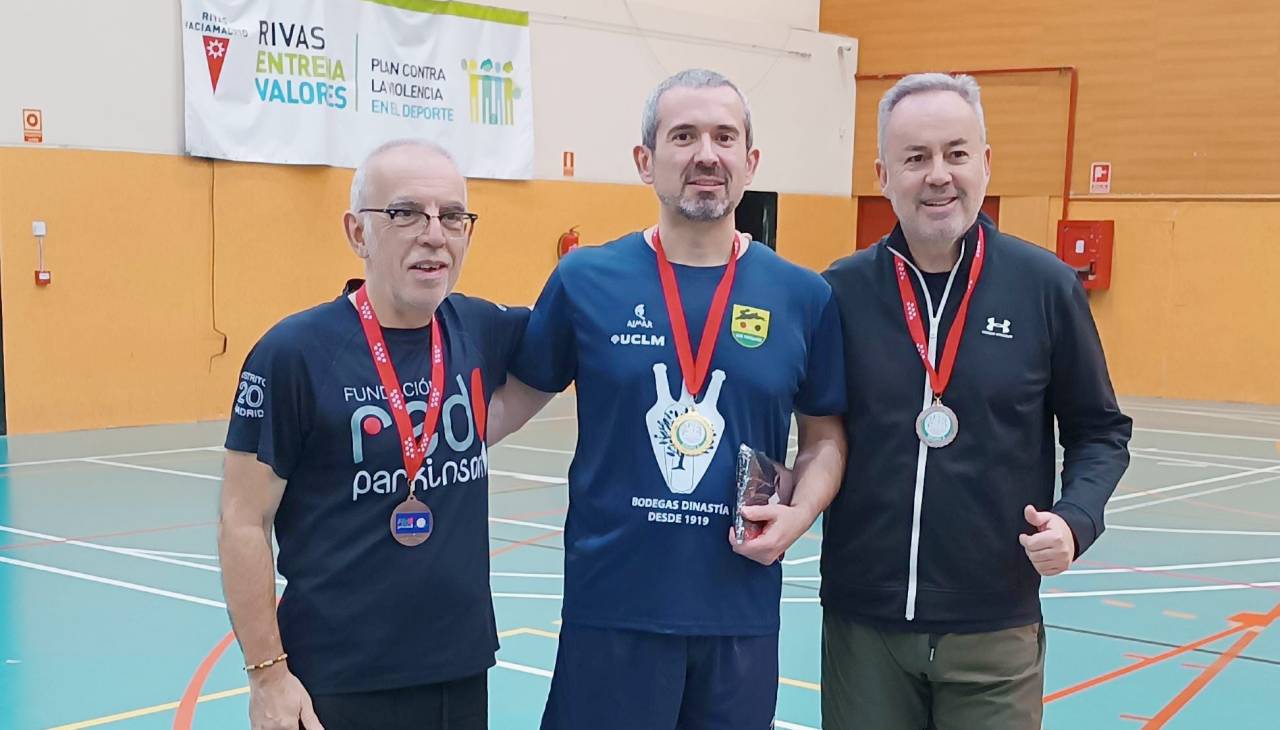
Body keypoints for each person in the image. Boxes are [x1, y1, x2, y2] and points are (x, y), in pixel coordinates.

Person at [511, 68, 848, 729]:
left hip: (739, 614)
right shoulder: (585, 280)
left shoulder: (803, 297)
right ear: (646, 161)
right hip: (612, 609)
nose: (705, 154)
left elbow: (826, 438)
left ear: (750, 162)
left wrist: (799, 513)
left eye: (725, 137)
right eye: (684, 135)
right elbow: (508, 400)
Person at [820, 73, 1133, 730]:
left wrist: (1075, 520)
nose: (939, 175)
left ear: (985, 163)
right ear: (883, 174)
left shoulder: (1045, 287)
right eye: (916, 157)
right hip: (864, 626)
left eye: (956, 153)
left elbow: (1099, 429)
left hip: (995, 627)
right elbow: (811, 430)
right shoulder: (839, 294)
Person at [217, 139, 530, 730]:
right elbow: (242, 519)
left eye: (453, 216)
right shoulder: (294, 354)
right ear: (358, 232)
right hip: (332, 682)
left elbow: (583, 337)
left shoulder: (480, 329)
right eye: (406, 213)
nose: (434, 234)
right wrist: (267, 675)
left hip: (460, 672)